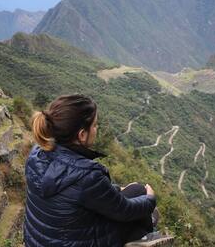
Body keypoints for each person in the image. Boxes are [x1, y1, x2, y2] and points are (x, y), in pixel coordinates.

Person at [24, 94, 158, 247]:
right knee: (139, 191)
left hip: (39, 241)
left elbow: (75, 193)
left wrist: (116, 189)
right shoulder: (87, 175)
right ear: (82, 135)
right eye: (94, 125)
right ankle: (146, 235)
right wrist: (150, 200)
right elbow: (124, 210)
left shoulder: (37, 153)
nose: (97, 128)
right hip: (73, 241)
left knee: (130, 191)